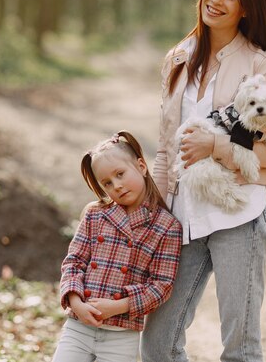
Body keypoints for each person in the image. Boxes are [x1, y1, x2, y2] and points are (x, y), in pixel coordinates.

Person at [141, 0, 266, 362]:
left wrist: (218, 148)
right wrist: (155, 209)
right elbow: (165, 147)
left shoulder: (258, 61)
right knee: (157, 346)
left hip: (239, 216)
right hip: (183, 218)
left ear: (246, 9)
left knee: (240, 350)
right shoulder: (178, 57)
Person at [52, 130, 182, 362]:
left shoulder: (166, 226)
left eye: (120, 174)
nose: (117, 186)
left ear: (141, 166)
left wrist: (118, 306)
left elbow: (161, 285)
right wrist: (75, 302)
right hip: (78, 328)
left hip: (122, 334)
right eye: (107, 183)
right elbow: (74, 261)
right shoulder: (95, 215)